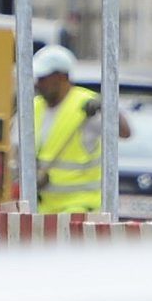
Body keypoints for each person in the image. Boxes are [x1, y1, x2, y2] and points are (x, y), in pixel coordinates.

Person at [29, 44, 103, 215]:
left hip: (80, 209)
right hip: (44, 209)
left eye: (43, 78)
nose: (38, 83)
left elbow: (125, 133)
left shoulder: (86, 104)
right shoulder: (34, 107)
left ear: (61, 77)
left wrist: (107, 107)